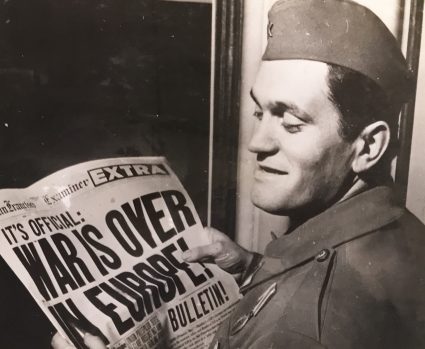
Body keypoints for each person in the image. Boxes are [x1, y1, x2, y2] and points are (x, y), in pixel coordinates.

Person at [53, 0, 425, 348]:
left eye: (291, 122)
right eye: (260, 113)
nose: (257, 143)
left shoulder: (296, 330)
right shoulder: (398, 233)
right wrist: (254, 270)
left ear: (368, 146)